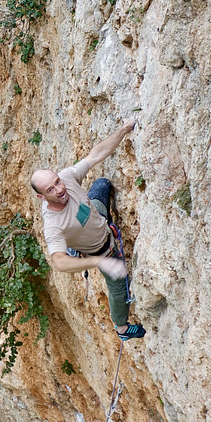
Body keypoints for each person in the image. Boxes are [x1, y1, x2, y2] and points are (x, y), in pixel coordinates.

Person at [30, 119, 145, 341]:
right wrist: (98, 261)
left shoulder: (66, 178)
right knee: (119, 285)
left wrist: (124, 129)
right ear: (41, 196)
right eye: (50, 190)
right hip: (101, 250)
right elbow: (59, 262)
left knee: (101, 185)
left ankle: (81, 238)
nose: (59, 189)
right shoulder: (54, 224)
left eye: (57, 182)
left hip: (96, 215)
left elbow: (95, 155)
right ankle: (122, 329)